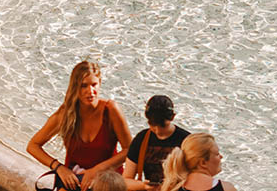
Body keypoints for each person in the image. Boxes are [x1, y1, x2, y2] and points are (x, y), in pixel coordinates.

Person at [27, 60, 135, 191]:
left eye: (94, 84)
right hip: (74, 179)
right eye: (84, 86)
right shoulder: (65, 114)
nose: (91, 91)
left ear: (100, 84)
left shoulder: (111, 110)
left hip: (107, 181)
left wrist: (96, 170)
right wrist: (59, 167)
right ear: (75, 87)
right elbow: (33, 146)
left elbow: (129, 150)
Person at [122, 95, 191, 191]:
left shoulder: (187, 140)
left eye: (163, 126)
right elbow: (125, 180)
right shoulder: (141, 139)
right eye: (153, 125)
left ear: (173, 117)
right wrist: (143, 186)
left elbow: (199, 177)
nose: (158, 131)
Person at [160, 133, 236, 191]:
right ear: (203, 163)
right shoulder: (226, 188)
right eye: (217, 154)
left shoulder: (173, 187)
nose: (221, 157)